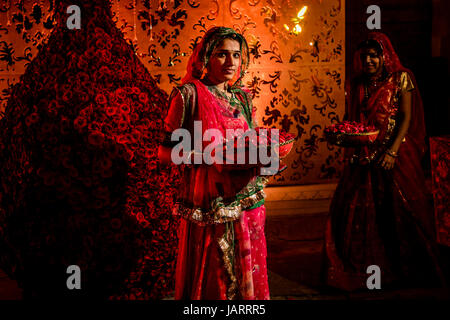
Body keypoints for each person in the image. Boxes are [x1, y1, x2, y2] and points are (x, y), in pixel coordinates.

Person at [324, 32, 447, 291]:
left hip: (395, 151)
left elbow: (405, 118)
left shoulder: (401, 78)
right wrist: (345, 139)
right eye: (364, 55)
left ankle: (404, 268)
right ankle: (363, 267)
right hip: (364, 151)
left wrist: (391, 152)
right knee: (357, 208)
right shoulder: (357, 83)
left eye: (374, 55)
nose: (369, 60)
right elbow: (353, 118)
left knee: (400, 208)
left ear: (385, 56)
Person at [158, 27, 271, 299]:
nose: (231, 63)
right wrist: (210, 157)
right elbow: (164, 153)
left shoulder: (242, 97)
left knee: (248, 266)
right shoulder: (187, 96)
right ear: (205, 57)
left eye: (236, 55)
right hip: (210, 202)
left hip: (246, 200)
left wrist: (267, 157)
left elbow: (250, 142)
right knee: (216, 270)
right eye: (222, 54)